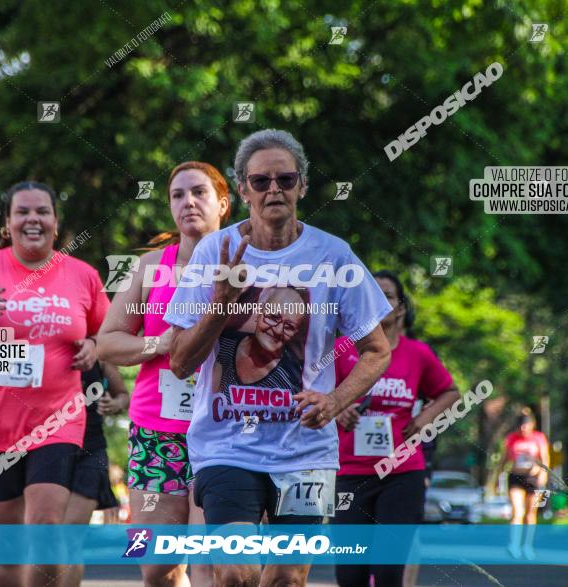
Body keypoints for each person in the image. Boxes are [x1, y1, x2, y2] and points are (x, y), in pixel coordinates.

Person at [165, 129, 392, 587]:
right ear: (243, 188)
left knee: (287, 579)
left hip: (306, 453)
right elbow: (180, 362)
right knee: (235, 575)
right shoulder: (214, 252)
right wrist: (221, 305)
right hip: (225, 448)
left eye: (285, 180)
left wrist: (334, 400)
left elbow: (376, 350)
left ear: (302, 186)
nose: (274, 190)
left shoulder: (333, 255)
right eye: (261, 181)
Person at [0, 181, 110, 587]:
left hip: (58, 421)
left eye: (42, 211)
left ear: (55, 222)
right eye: (22, 212)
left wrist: (93, 346)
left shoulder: (81, 275)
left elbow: (111, 335)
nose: (32, 219)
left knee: (47, 529)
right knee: (7, 548)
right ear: (8, 223)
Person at [97, 161, 230, 587]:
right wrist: (162, 344)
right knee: (157, 566)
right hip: (156, 433)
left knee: (211, 560)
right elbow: (108, 341)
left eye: (199, 192)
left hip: (225, 432)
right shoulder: (151, 267)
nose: (187, 202)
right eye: (177, 195)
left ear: (223, 203)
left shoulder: (245, 267)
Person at [333, 270, 459, 587]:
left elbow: (450, 393)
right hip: (349, 474)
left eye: (387, 295)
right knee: (351, 574)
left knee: (388, 570)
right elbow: (317, 395)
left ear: (401, 308)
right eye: (372, 293)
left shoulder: (418, 354)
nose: (379, 300)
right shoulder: (341, 350)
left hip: (402, 473)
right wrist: (338, 408)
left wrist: (425, 418)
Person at [62, 359, 129, 587]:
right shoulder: (39, 344)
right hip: (45, 449)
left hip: (90, 451)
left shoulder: (99, 353)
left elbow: (123, 395)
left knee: (70, 536)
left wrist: (115, 403)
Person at [503, 408, 550, 559]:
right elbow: (505, 459)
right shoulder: (511, 438)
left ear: (532, 425)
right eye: (521, 426)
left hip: (534, 479)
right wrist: (499, 475)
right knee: (517, 512)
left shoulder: (539, 437)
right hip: (516, 477)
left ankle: (527, 546)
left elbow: (545, 459)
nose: (523, 429)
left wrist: (542, 476)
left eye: (526, 425)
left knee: (530, 515)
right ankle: (514, 545)